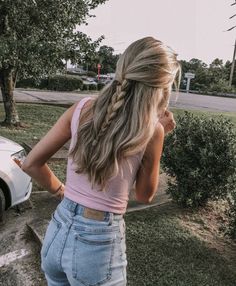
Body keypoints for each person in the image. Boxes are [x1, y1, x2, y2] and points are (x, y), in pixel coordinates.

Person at [22, 36, 181, 286]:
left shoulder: (81, 108)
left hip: (58, 227)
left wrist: (61, 190)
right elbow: (144, 195)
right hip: (97, 243)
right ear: (162, 86)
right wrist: (159, 136)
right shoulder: (153, 130)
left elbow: (31, 163)